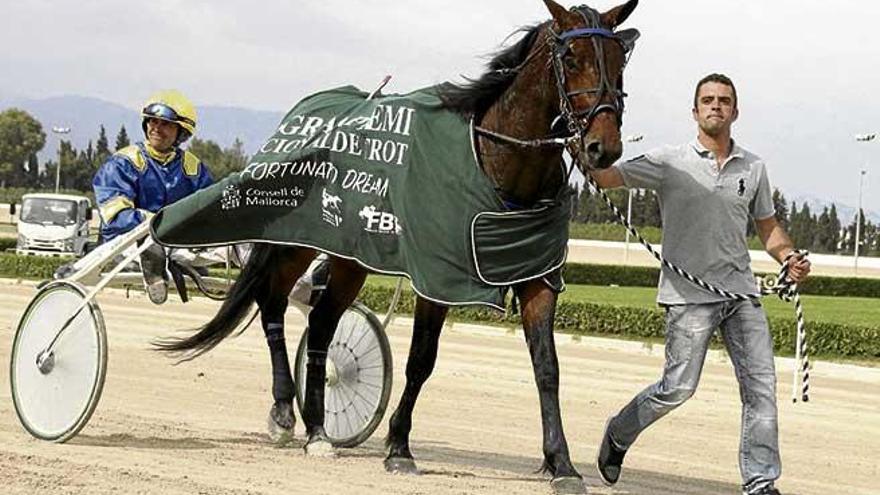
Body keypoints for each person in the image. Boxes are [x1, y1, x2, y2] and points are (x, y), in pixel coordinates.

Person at [589, 73, 811, 495]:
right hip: (688, 297)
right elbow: (607, 178)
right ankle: (619, 432)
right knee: (676, 389)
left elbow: (768, 228)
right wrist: (584, 147)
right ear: (695, 111)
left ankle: (761, 480)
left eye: (723, 100)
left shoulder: (754, 167)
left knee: (761, 390)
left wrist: (788, 256)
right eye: (707, 100)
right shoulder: (669, 161)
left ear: (735, 111)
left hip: (741, 294)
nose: (715, 106)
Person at [92, 89, 213, 304]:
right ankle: (154, 265)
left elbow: (210, 209)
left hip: (174, 244)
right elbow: (115, 216)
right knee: (151, 241)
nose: (156, 128)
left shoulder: (193, 167)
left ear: (181, 132)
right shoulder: (123, 162)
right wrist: (155, 223)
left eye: (165, 124)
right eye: (152, 122)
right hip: (125, 243)